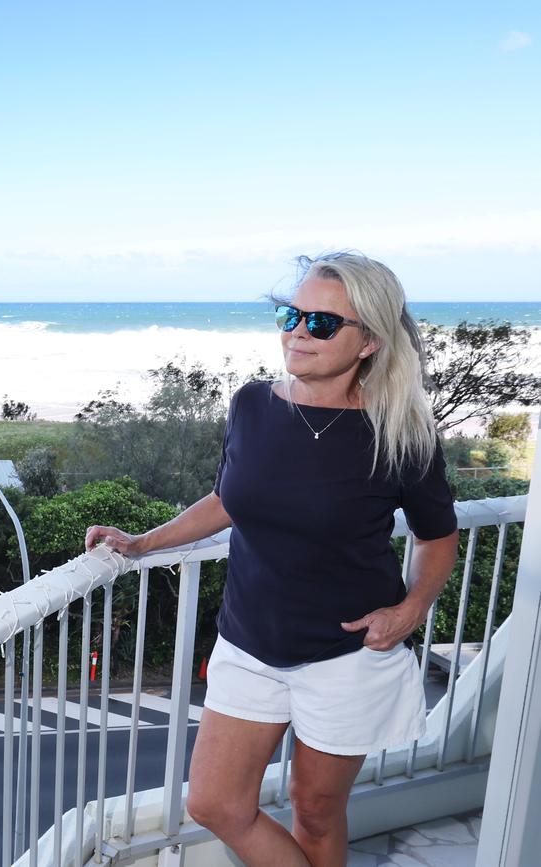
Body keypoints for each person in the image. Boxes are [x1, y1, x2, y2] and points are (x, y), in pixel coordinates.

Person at [85, 251, 459, 867]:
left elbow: (436, 534)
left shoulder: (402, 432)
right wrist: (143, 542)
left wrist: (413, 608)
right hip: (249, 643)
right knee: (215, 803)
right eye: (291, 314)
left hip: (347, 653)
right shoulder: (254, 404)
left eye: (320, 323)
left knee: (316, 814)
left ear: (369, 341)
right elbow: (229, 499)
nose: (294, 332)